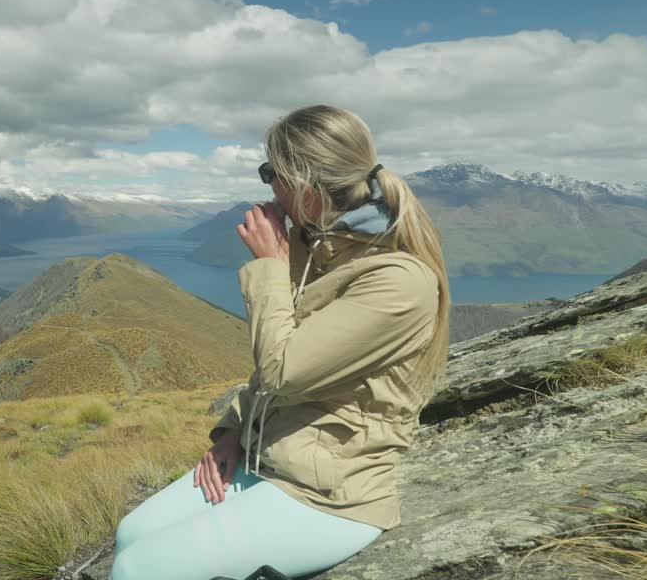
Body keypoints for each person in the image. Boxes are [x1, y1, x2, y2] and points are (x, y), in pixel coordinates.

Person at [109, 105, 451, 580]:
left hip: (331, 493)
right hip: (270, 456)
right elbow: (285, 356)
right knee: (130, 533)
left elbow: (284, 369)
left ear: (304, 188)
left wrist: (270, 264)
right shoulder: (320, 248)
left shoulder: (398, 282)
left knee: (139, 569)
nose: (267, 185)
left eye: (271, 173)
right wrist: (233, 431)